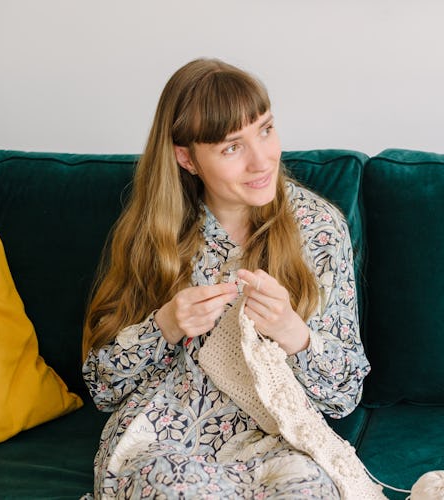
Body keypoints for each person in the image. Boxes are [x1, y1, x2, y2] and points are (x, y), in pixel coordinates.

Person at [81, 58, 371, 498]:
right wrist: (165, 327)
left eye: (266, 130)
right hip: (165, 446)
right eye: (231, 147)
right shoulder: (153, 233)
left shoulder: (318, 228)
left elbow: (345, 393)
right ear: (187, 158)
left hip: (278, 441)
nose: (262, 160)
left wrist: (293, 333)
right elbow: (102, 386)